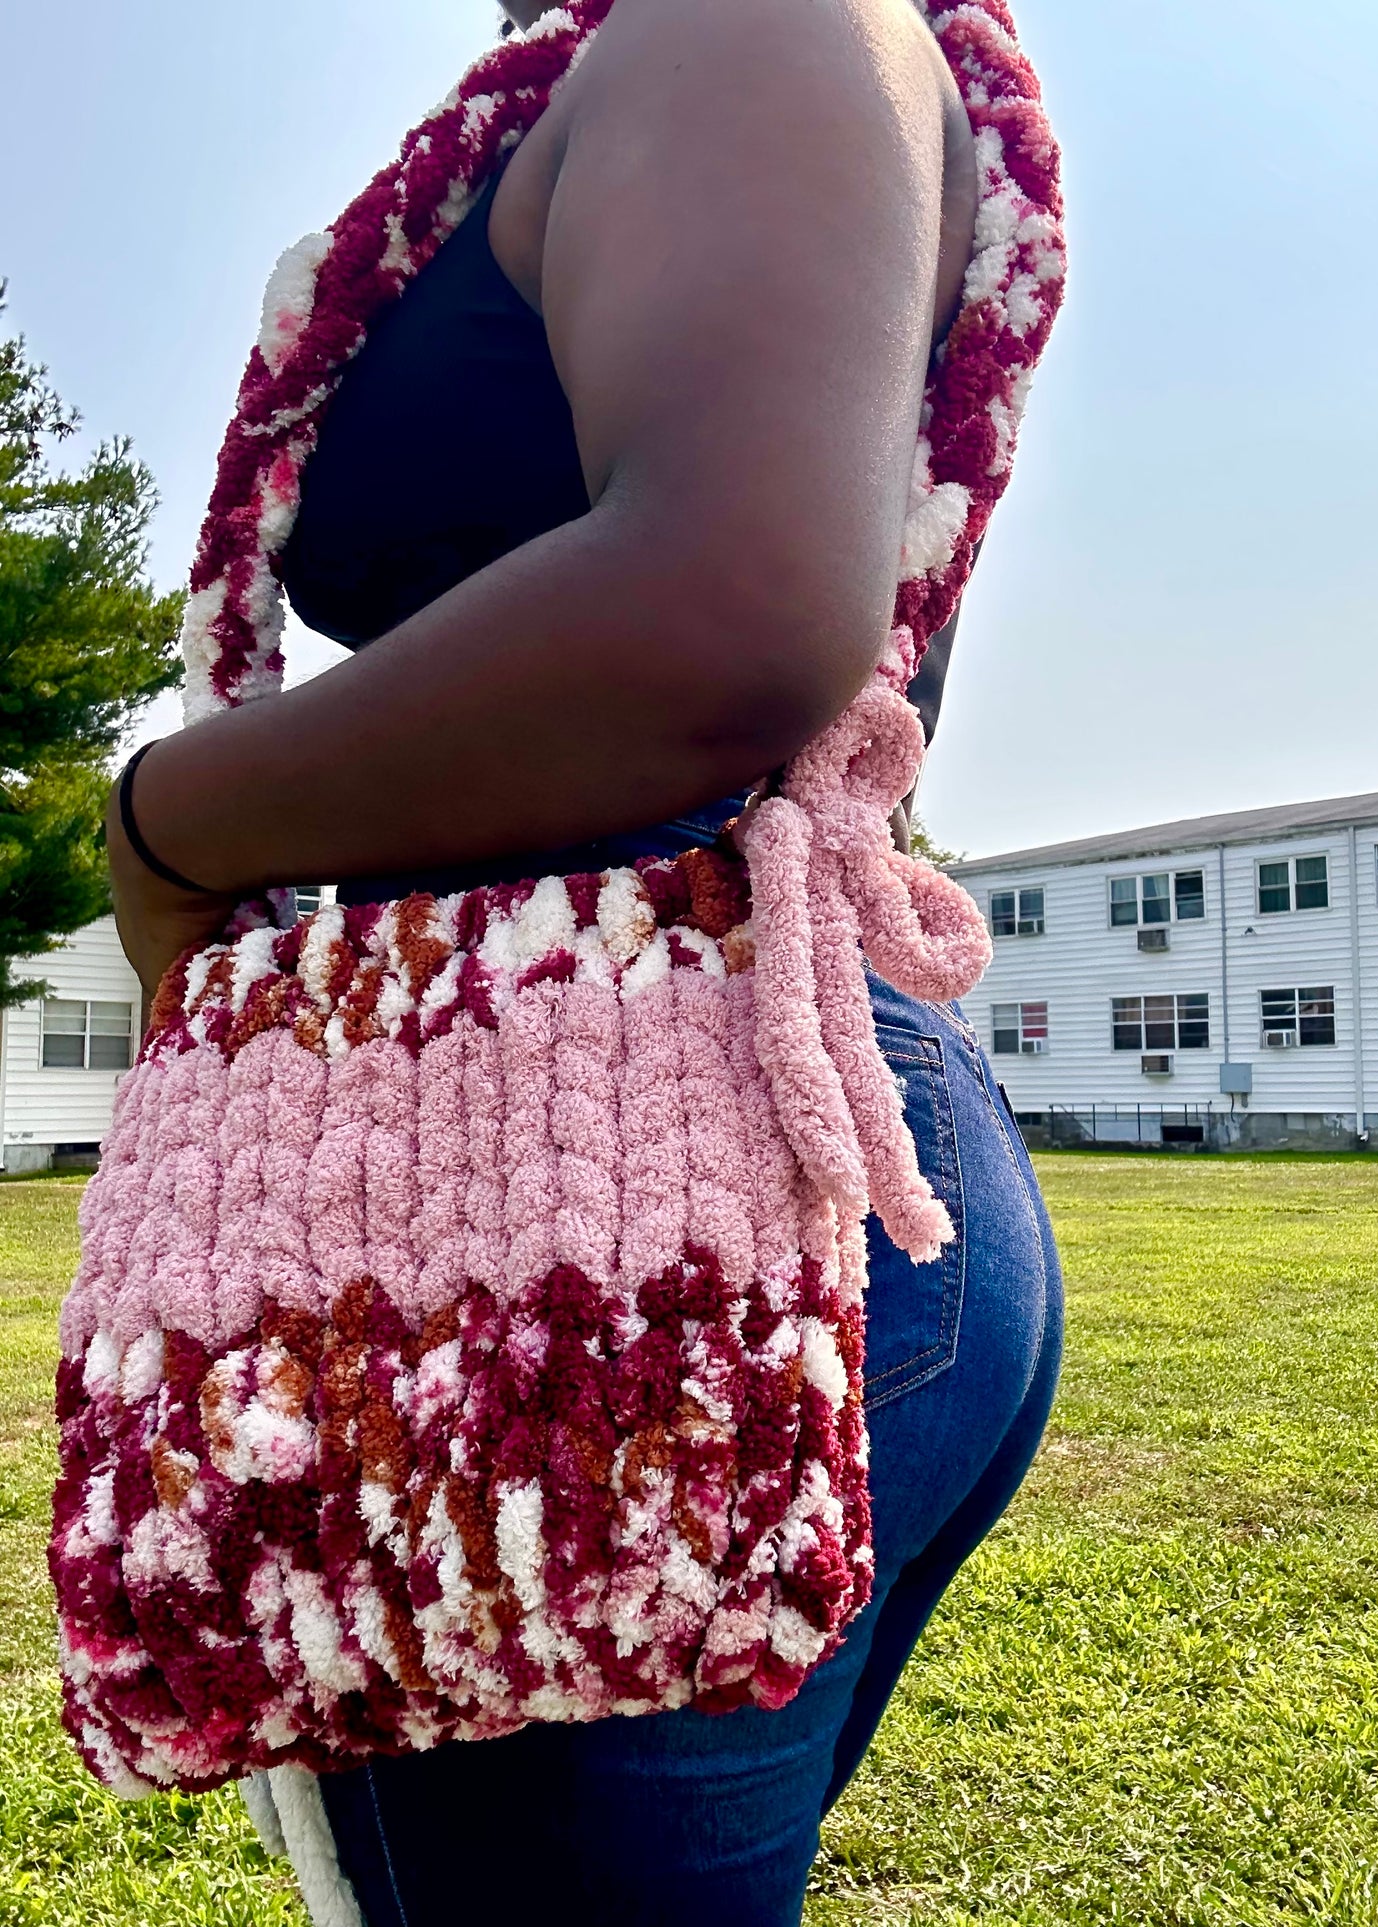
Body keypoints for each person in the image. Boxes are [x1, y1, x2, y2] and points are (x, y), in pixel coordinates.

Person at [104, 0, 1063, 1918]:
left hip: (613, 1194)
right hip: (695, 1131)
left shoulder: (755, 21)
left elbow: (726, 608)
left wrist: (169, 821)